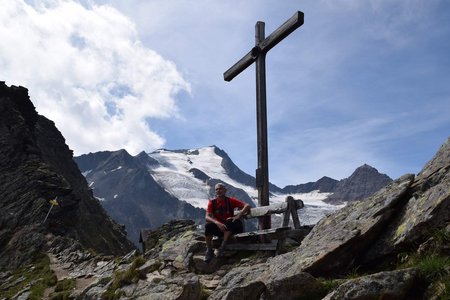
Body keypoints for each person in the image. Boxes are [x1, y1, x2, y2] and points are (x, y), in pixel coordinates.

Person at [204, 183, 251, 262]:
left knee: (230, 221)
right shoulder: (212, 203)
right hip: (220, 227)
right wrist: (217, 223)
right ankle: (209, 249)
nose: (218, 191)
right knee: (208, 226)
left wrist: (238, 216)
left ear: (225, 190)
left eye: (220, 189)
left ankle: (223, 246)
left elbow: (247, 206)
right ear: (215, 192)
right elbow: (207, 217)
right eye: (217, 189)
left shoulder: (230, 200)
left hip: (231, 227)